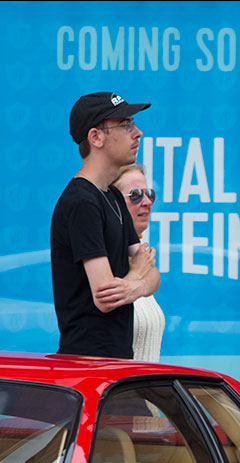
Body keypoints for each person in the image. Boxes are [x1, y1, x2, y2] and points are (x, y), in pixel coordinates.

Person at [50, 92, 160, 358]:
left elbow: (153, 276)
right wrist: (137, 275)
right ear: (96, 137)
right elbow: (106, 298)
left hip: (116, 363)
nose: (138, 133)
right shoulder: (82, 203)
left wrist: (137, 285)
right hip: (87, 365)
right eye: (125, 125)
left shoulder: (112, 198)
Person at [115, 164, 164, 361]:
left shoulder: (141, 260)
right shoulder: (102, 263)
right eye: (135, 195)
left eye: (149, 195)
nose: (146, 202)